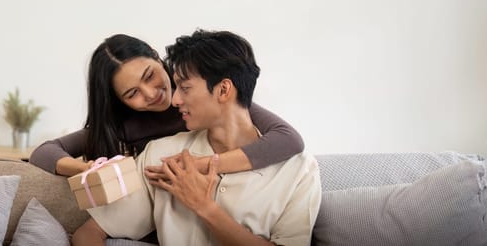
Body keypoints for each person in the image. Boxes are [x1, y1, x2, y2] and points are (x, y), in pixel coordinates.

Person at [73, 29, 322, 246]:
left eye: (185, 88)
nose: (174, 99)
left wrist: (205, 207)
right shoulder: (160, 157)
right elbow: (88, 234)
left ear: (224, 90)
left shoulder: (299, 170)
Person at [29, 34, 304, 177]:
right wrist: (86, 169)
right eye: (133, 93)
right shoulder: (125, 126)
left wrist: (201, 165)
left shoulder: (204, 98)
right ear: (120, 101)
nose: (151, 94)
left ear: (156, 57)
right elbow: (44, 152)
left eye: (150, 75)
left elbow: (288, 139)